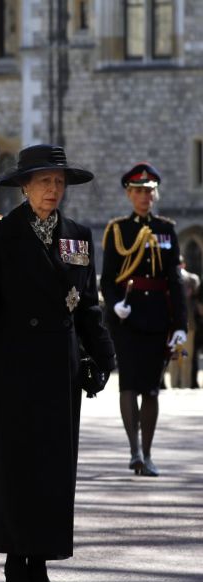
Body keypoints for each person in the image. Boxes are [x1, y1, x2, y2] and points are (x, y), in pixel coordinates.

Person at [0, 144, 114, 582]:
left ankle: (41, 563)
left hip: (60, 368)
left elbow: (88, 304)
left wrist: (103, 358)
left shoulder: (78, 237)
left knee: (54, 469)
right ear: (25, 187)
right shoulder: (0, 237)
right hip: (15, 369)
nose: (53, 190)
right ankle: (15, 562)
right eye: (44, 182)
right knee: (16, 467)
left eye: (59, 182)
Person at [100, 163, 187, 476]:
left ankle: (147, 453)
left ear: (155, 194)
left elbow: (175, 282)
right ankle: (134, 451)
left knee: (150, 388)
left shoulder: (166, 229)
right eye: (138, 191)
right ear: (129, 193)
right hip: (127, 316)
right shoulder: (118, 230)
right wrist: (114, 305)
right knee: (128, 384)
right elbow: (108, 279)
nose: (144, 197)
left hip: (157, 318)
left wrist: (180, 326)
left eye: (149, 191)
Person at [169, 256, 199, 388]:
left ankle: (182, 384)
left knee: (183, 356)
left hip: (185, 324)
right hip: (176, 324)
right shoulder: (170, 279)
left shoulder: (190, 279)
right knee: (178, 357)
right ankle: (178, 384)